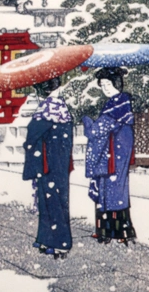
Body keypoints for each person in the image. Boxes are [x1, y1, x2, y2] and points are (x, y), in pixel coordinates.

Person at [83, 66, 137, 245]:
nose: (105, 87)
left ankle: (116, 230)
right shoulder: (115, 103)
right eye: (102, 84)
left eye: (108, 83)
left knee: (113, 191)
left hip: (115, 152)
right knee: (109, 190)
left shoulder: (118, 104)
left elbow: (96, 130)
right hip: (112, 152)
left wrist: (87, 121)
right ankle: (109, 230)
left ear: (117, 84)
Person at [22, 77, 74, 258]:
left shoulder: (47, 109)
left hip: (48, 162)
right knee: (58, 201)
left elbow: (32, 134)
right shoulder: (61, 108)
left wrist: (30, 146)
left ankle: (57, 242)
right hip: (59, 161)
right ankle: (51, 240)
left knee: (49, 202)